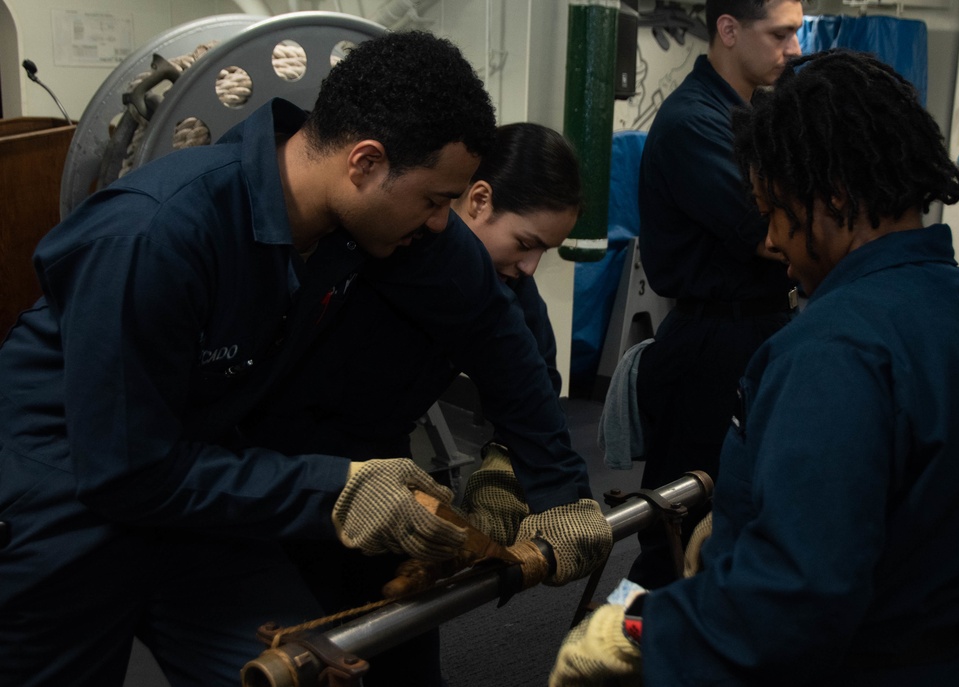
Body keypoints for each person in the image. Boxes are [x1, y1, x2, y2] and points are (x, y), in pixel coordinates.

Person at [0, 31, 609, 687]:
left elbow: (494, 326)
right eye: (434, 201)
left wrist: (559, 490)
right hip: (70, 495)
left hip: (200, 487)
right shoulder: (157, 231)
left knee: (314, 672)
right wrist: (336, 489)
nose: (442, 223)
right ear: (366, 162)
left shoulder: (373, 224)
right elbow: (126, 470)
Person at [549, 49, 959, 686]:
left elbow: (794, 599)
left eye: (775, 211)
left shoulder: (831, 352)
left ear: (833, 198)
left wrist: (648, 633)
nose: (775, 238)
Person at [241, 121, 585, 686]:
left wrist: (508, 470)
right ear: (477, 200)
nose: (530, 268)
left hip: (390, 466)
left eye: (543, 253)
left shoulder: (510, 291)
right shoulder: (384, 246)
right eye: (525, 244)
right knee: (301, 645)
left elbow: (533, 386)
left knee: (408, 643)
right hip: (289, 463)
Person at [629, 0, 803, 588]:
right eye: (780, 34)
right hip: (713, 344)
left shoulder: (751, 114)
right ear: (728, 30)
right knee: (675, 532)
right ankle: (613, 661)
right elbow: (777, 239)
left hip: (755, 330)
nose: (795, 49)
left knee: (737, 517)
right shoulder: (695, 122)